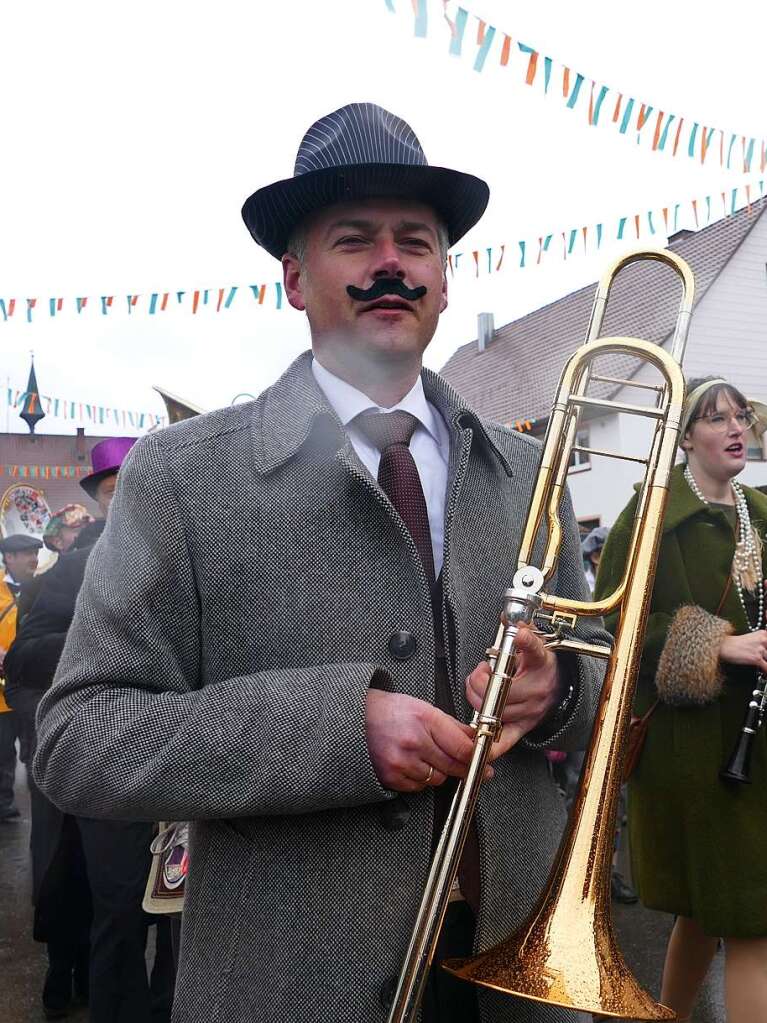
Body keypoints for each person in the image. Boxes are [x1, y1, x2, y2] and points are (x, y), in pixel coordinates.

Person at [34, 103, 607, 1023]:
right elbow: (81, 739)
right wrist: (339, 730)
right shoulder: (183, 476)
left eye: (415, 243)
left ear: (445, 280)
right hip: (291, 980)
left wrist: (559, 691)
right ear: (296, 280)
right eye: (354, 240)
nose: (391, 263)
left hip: (517, 971)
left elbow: (597, 664)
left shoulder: (528, 468)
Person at [595, 376, 767, 1023]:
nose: (734, 428)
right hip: (693, 757)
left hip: (755, 748)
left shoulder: (758, 508)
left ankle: (663, 1015)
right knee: (750, 917)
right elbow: (620, 620)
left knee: (705, 911)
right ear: (685, 436)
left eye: (740, 416)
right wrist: (719, 644)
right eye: (715, 417)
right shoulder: (651, 516)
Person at [6, 436, 174, 1022]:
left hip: (190, 759)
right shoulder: (73, 568)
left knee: (185, 913)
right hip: (115, 763)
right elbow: (22, 658)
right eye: (112, 488)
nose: (126, 496)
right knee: (120, 906)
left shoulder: (191, 550)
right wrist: (93, 644)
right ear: (101, 500)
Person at [0, 533, 43, 817]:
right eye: (26, 552)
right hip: (1, 693)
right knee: (2, 750)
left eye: (35, 551)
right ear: (9, 558)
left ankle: (41, 803)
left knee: (32, 748)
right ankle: (3, 802)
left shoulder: (44, 589)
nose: (33, 558)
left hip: (29, 687)